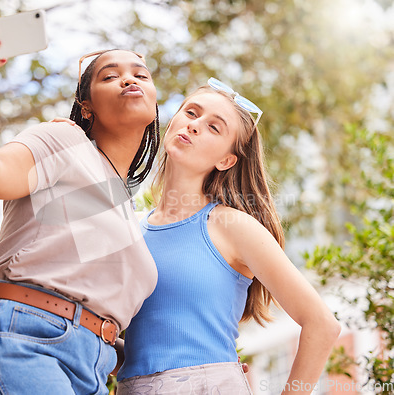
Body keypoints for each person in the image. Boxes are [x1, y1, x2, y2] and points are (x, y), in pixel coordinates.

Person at [0, 17, 161, 395]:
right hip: (19, 341)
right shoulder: (64, 139)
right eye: (109, 76)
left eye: (141, 74)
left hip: (87, 367)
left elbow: (82, 292)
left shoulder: (122, 206)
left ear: (155, 104)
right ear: (85, 107)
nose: (129, 79)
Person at [115, 79, 341, 394]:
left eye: (214, 128)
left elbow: (322, 325)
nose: (194, 126)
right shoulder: (131, 227)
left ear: (226, 160)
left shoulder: (232, 226)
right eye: (191, 112)